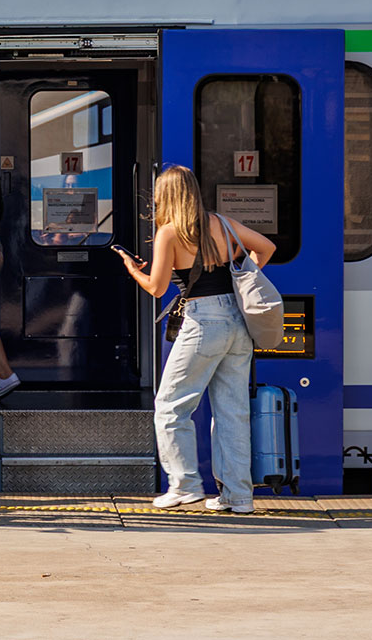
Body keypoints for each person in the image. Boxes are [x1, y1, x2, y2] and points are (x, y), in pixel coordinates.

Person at [117, 165, 275, 514]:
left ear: (165, 197)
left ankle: (185, 485)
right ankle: (238, 496)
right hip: (237, 321)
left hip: (203, 322)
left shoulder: (169, 233)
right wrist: (243, 273)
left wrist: (133, 270)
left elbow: (156, 288)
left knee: (170, 407)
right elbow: (266, 247)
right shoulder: (223, 223)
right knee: (232, 412)